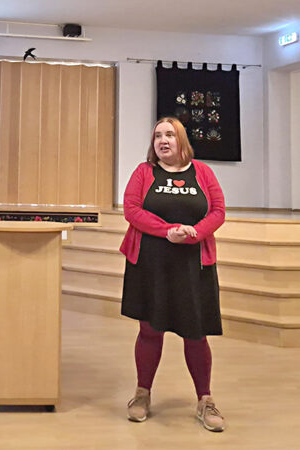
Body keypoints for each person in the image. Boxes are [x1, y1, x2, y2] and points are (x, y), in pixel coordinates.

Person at [119, 117, 226, 432]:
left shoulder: (202, 172)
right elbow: (132, 209)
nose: (163, 140)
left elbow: (218, 211)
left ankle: (205, 400)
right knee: (149, 330)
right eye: (157, 136)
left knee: (196, 332)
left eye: (169, 135)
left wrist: (194, 232)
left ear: (182, 140)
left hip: (193, 263)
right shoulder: (144, 172)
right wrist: (168, 231)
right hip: (150, 262)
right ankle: (142, 394)